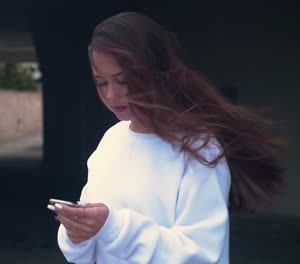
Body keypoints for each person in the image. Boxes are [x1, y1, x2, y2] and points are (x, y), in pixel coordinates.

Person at [46, 12, 284, 263]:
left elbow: (202, 256)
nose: (112, 95)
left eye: (123, 80)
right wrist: (77, 235)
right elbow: (90, 252)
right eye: (101, 83)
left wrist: (113, 228)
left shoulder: (199, 148)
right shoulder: (110, 140)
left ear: (155, 72)